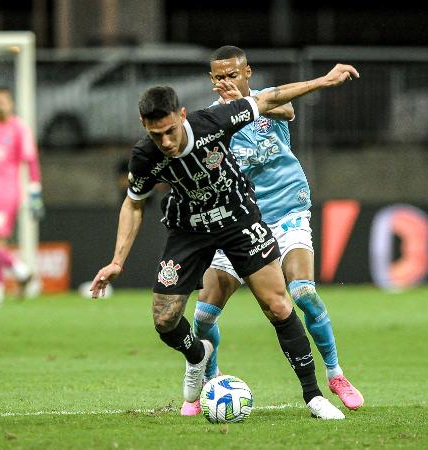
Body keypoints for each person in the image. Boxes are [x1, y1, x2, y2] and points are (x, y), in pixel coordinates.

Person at [90, 62, 359, 420]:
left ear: (181, 115)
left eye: (171, 131)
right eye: (158, 136)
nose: (167, 142)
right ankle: (197, 356)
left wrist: (325, 80)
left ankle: (314, 395)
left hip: (238, 220)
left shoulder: (213, 122)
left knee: (279, 305)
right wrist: (117, 261)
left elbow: (272, 99)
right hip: (189, 231)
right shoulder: (144, 157)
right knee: (165, 319)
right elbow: (134, 204)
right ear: (144, 127)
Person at [181, 46, 364, 417]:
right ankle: (209, 382)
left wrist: (248, 100)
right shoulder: (211, 120)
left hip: (287, 211)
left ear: (248, 72)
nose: (225, 82)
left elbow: (285, 106)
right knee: (203, 314)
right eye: (218, 77)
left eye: (232, 75)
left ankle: (335, 374)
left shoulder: (268, 102)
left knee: (304, 292)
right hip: (239, 222)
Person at [0, 88, 44, 305]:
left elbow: (31, 160)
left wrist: (35, 192)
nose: (0, 105)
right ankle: (10, 280)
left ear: (11, 105)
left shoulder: (18, 128)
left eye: (4, 102)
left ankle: (17, 274)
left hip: (6, 195)